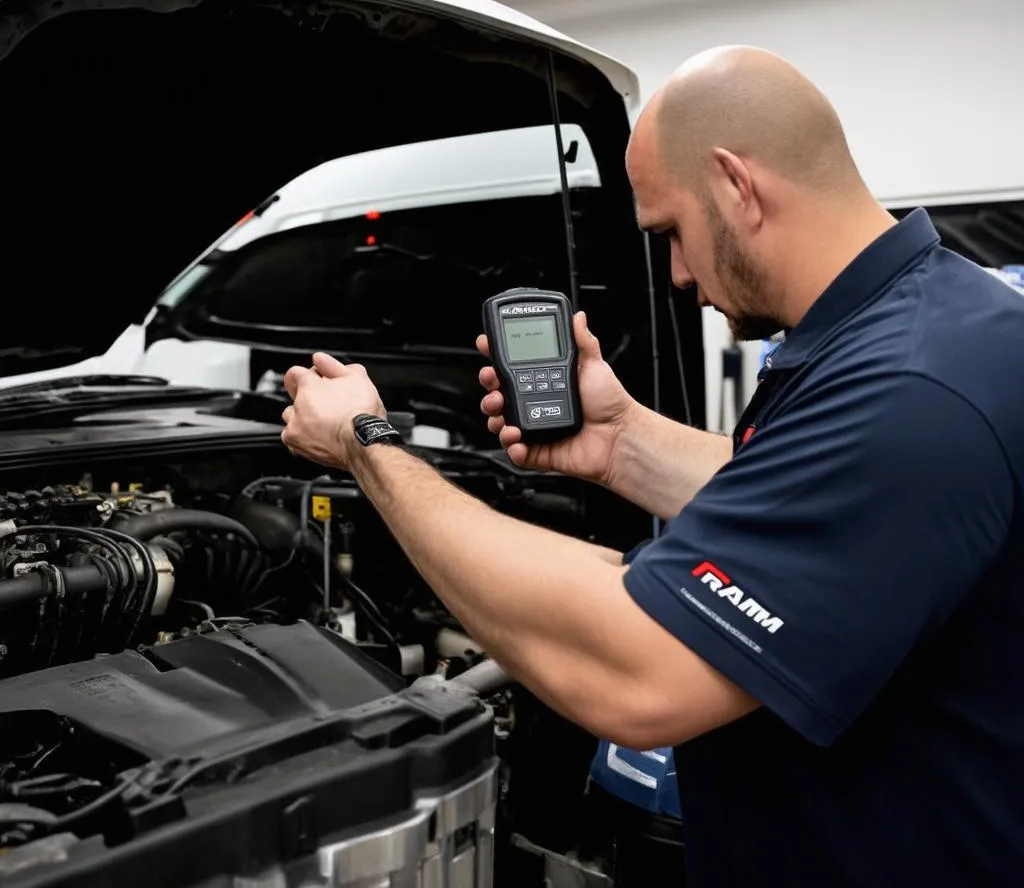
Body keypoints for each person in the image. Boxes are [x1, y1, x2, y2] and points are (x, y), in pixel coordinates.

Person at [279, 46, 1024, 887]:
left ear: (736, 186)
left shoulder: (910, 387)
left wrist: (370, 448)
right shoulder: (944, 320)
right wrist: (624, 439)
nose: (674, 272)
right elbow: (815, 509)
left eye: (670, 231)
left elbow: (638, 677)